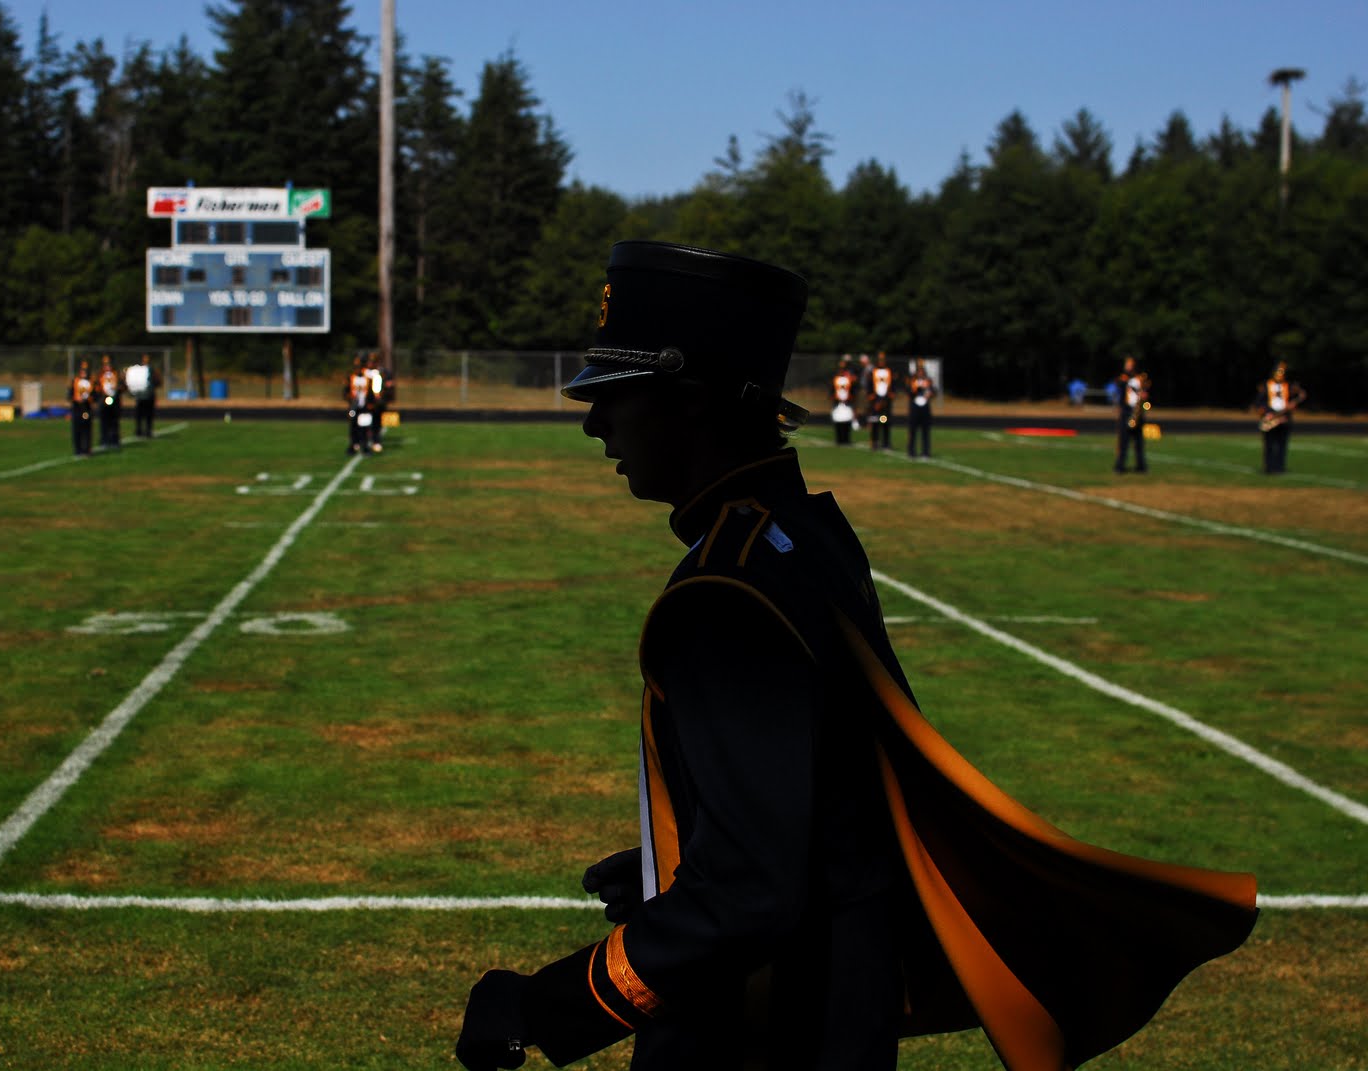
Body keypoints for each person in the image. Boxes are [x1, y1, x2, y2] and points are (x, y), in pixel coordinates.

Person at [455, 240, 1257, 1071]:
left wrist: (541, 1006)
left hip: (769, 1030)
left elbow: (749, 894)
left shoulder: (722, 593)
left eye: (617, 397)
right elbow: (838, 794)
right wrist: (682, 850)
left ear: (689, 401)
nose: (594, 422)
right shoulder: (804, 535)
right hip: (842, 1007)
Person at [1256, 361, 1306, 475]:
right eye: (1278, 371)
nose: (1280, 374)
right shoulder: (1266, 385)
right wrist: (1266, 413)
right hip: (1270, 418)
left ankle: (1280, 467)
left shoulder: (1288, 386)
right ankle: (1269, 468)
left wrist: (1293, 405)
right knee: (1269, 444)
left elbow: (1295, 398)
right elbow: (1259, 403)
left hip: (1284, 419)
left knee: (1282, 445)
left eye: (1282, 372)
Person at [1112, 356, 1150, 474]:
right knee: (1124, 441)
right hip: (1126, 412)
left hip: (1138, 412)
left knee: (1139, 442)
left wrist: (1144, 395)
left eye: (1130, 364)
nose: (1128, 366)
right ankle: (1120, 466)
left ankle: (1141, 466)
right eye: (1127, 364)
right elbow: (1119, 386)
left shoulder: (1140, 378)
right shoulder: (1123, 378)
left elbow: (1146, 391)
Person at [343, 355, 378, 455]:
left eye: (359, 367)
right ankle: (352, 446)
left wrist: (370, 404)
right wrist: (350, 399)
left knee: (364, 428)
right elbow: (345, 392)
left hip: (364, 407)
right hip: (354, 407)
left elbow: (371, 392)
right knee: (353, 427)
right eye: (356, 367)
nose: (357, 369)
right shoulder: (351, 378)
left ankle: (365, 447)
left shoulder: (367, 379)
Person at [906, 358, 936, 458]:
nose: (920, 373)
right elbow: (909, 392)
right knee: (913, 431)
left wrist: (930, 393)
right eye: (918, 371)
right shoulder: (912, 380)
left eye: (921, 371)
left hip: (925, 409)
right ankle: (911, 451)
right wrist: (915, 389)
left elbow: (933, 391)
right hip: (915, 408)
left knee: (925, 432)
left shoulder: (928, 381)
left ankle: (925, 452)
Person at [866, 351, 894, 450]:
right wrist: (873, 398)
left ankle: (886, 442)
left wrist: (886, 399)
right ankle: (875, 441)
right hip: (875, 401)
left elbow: (892, 387)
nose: (881, 361)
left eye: (883, 359)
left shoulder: (889, 371)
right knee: (875, 421)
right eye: (880, 359)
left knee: (884, 421)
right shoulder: (873, 372)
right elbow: (869, 386)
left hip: (885, 402)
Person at [95, 354, 122, 450]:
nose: (107, 365)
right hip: (103, 400)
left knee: (114, 421)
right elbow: (96, 387)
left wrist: (118, 388)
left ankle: (114, 441)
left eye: (108, 363)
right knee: (104, 422)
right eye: (105, 363)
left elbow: (122, 385)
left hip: (115, 400)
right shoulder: (100, 374)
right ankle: (104, 441)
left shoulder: (116, 373)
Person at [128, 353, 157, 439]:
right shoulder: (139, 370)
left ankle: (148, 430)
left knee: (149, 414)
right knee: (139, 414)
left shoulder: (151, 369)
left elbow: (156, 381)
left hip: (149, 395)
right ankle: (139, 430)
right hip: (140, 396)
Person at [69, 359, 94, 457]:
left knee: (87, 430)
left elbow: (95, 394)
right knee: (77, 430)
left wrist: (89, 398)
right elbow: (70, 394)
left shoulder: (91, 382)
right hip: (77, 408)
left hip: (86, 408)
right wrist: (76, 399)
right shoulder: (75, 381)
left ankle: (87, 449)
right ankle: (78, 450)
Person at [829, 355, 856, 446]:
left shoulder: (849, 379)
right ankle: (839, 439)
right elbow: (831, 391)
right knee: (838, 421)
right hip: (837, 403)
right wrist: (834, 398)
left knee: (847, 421)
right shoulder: (835, 379)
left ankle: (846, 439)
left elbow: (853, 390)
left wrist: (850, 398)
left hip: (847, 403)